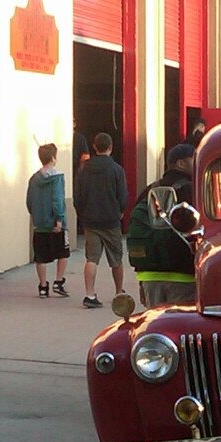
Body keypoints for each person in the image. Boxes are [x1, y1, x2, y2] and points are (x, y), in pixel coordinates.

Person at [131, 143, 196, 308]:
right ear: (180, 163)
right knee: (180, 329)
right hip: (184, 276)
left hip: (149, 276)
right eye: (193, 158)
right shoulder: (192, 190)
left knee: (155, 326)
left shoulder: (149, 191)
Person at [74, 132, 128, 309]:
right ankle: (119, 292)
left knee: (92, 258)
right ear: (110, 147)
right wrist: (120, 211)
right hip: (111, 220)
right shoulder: (116, 169)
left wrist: (82, 214)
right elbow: (123, 196)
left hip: (90, 220)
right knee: (116, 259)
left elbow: (78, 196)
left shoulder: (83, 169)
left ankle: (89, 294)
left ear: (95, 147)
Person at [26, 143, 70, 298]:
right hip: (55, 223)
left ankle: (43, 286)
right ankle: (59, 281)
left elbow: (29, 201)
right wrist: (59, 219)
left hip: (39, 224)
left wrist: (36, 215)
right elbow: (57, 199)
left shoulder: (33, 179)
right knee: (63, 253)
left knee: (41, 256)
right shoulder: (57, 177)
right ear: (53, 157)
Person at [72, 118, 90, 234]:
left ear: (74, 123)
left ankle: (80, 225)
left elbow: (85, 156)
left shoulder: (79, 138)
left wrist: (80, 173)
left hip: (77, 174)